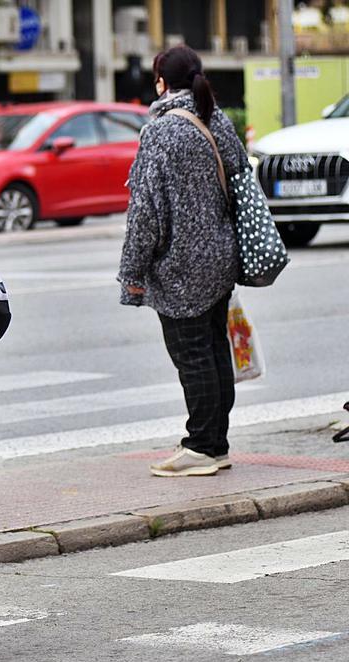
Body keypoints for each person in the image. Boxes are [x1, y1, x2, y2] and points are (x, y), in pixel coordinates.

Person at [119, 44, 247, 477]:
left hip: (179, 266)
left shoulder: (160, 130)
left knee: (192, 355)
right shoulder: (219, 119)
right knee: (213, 350)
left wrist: (132, 273)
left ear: (160, 81)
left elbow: (145, 211)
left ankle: (202, 447)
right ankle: (216, 441)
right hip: (221, 258)